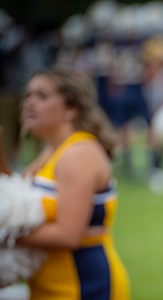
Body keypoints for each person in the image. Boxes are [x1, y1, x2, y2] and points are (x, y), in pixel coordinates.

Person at [1, 67, 130, 300]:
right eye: (28, 96)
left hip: (84, 285)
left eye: (42, 96)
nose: (29, 103)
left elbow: (68, 234)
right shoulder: (52, 151)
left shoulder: (78, 153)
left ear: (71, 108)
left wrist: (6, 234)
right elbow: (13, 197)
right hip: (47, 286)